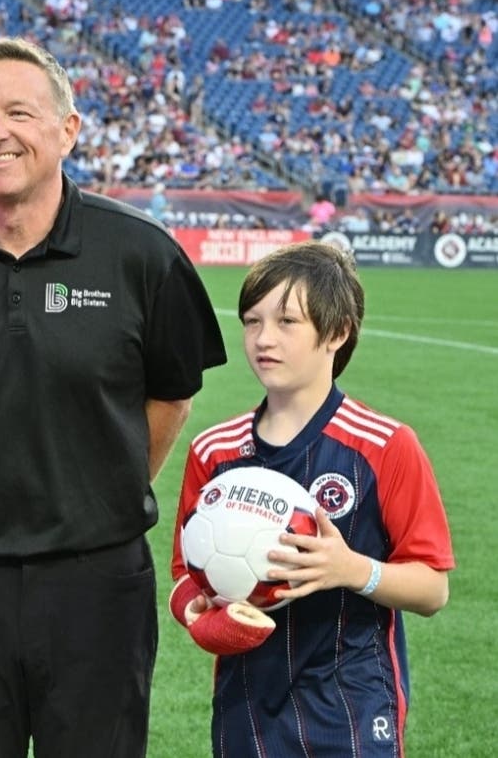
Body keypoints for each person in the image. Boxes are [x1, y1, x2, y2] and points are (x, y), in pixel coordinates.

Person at [0, 36, 226, 757]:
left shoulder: (142, 254)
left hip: (99, 581)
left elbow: (170, 400)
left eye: (17, 112)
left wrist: (94, 489)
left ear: (68, 130)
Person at [168, 241, 454, 756]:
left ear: (337, 333)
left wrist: (352, 569)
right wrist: (204, 618)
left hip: (352, 706)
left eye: (287, 322)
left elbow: (433, 589)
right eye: (252, 321)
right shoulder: (214, 451)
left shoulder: (385, 446)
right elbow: (186, 582)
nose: (263, 339)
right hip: (246, 706)